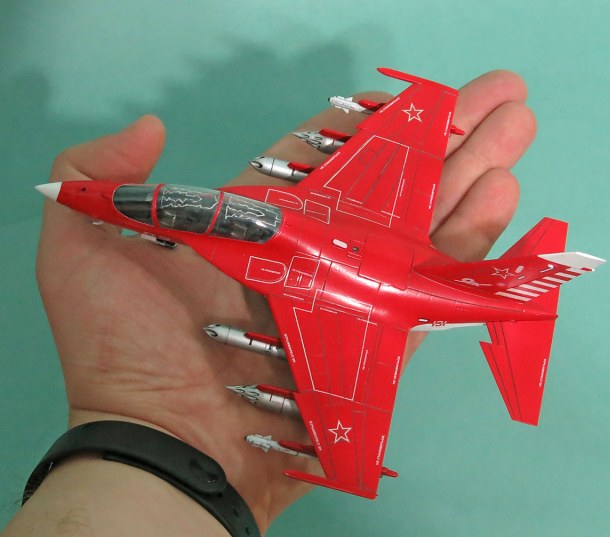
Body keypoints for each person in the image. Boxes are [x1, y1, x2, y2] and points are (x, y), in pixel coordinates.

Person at [2, 70, 535, 537]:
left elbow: (349, 419)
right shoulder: (324, 200)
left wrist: (345, 456)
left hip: (383, 292)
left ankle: (525, 306)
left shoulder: (320, 305)